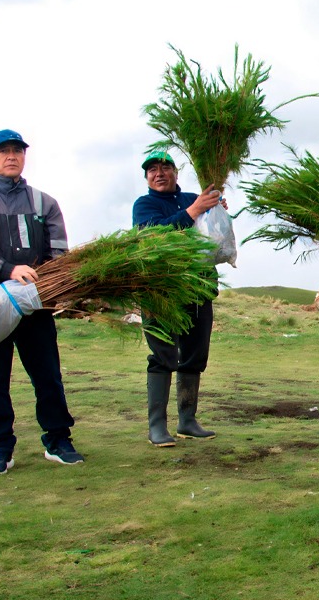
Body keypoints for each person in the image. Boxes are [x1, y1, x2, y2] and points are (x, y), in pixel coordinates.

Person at [0, 129, 83, 475]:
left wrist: (48, 283)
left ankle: (58, 439)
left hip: (35, 306)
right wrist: (6, 270)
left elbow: (58, 255)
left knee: (48, 375)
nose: (12, 156)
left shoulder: (44, 202)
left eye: (18, 151)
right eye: (3, 151)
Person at [132, 151, 223, 447]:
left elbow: (212, 238)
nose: (159, 173)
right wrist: (194, 211)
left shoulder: (193, 198)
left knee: (195, 356)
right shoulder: (144, 205)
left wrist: (217, 212)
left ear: (176, 173)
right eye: (152, 170)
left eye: (165, 168)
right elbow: (153, 236)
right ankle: (157, 427)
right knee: (163, 356)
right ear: (147, 177)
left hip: (198, 290)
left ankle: (187, 421)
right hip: (160, 293)